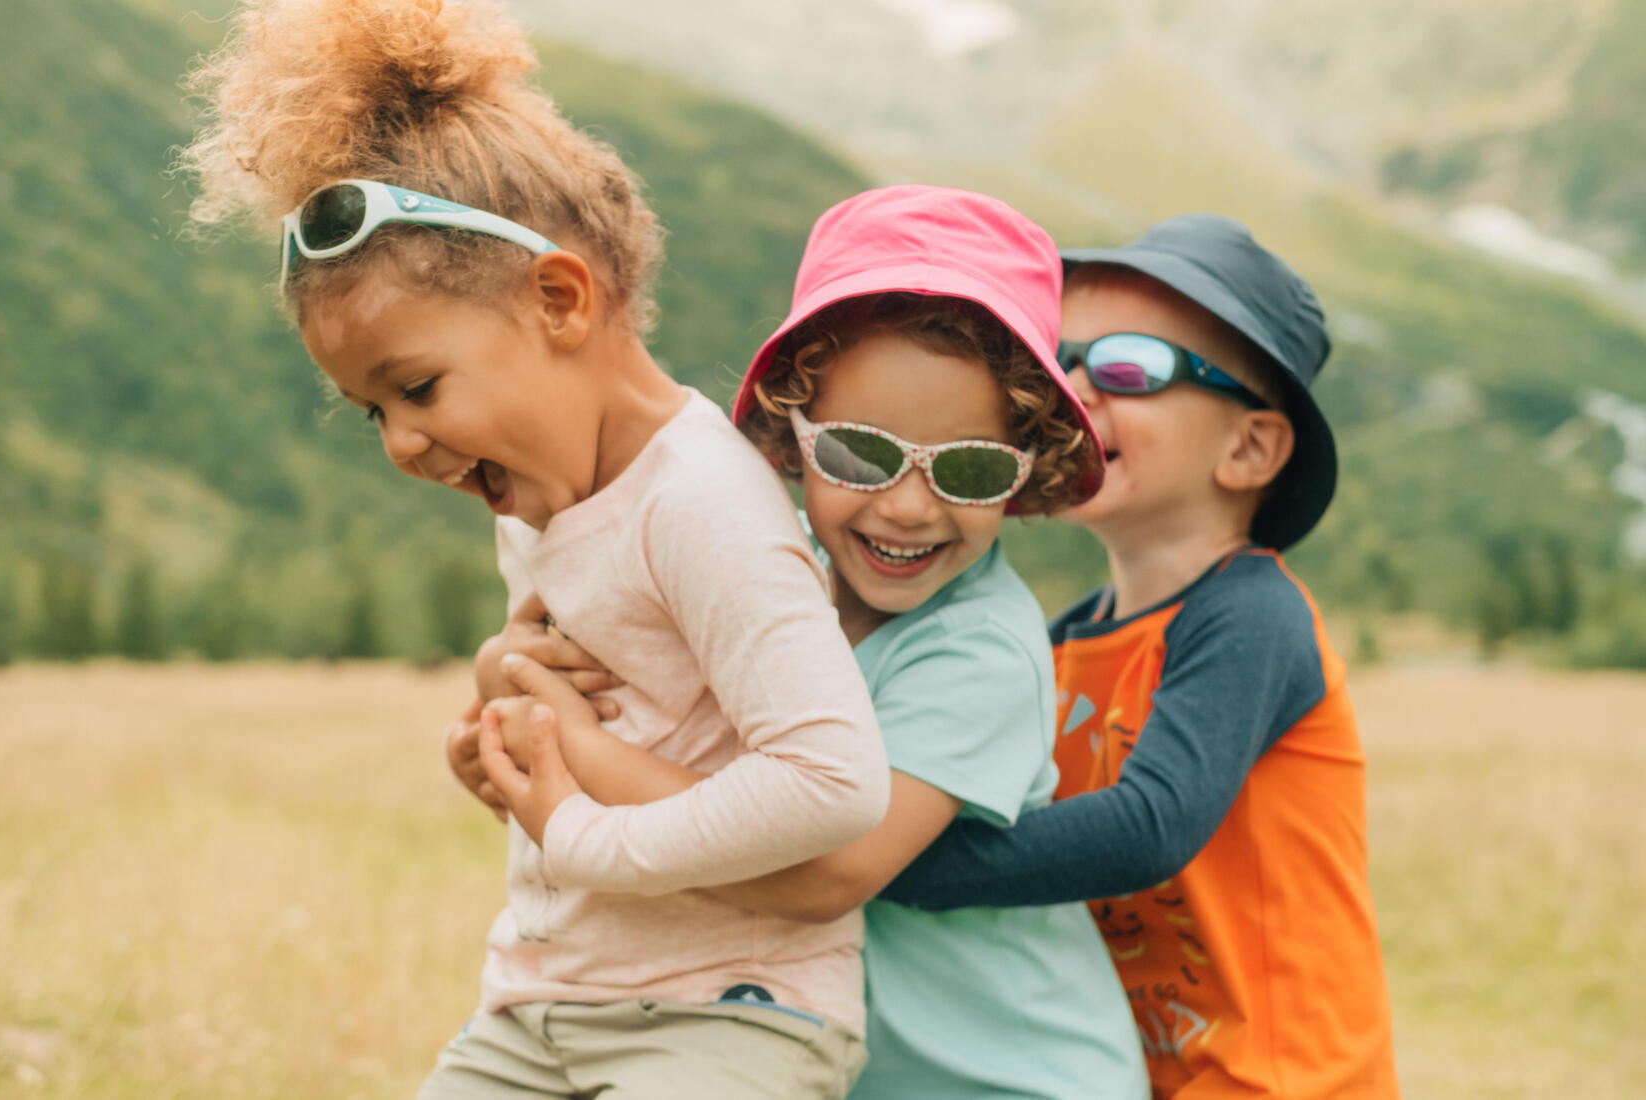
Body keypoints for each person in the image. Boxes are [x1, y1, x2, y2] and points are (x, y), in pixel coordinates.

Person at [179, 2, 890, 1097]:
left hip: (728, 1010)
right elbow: (609, 702)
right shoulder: (534, 500)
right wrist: (499, 733)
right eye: (372, 412)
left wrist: (581, 833)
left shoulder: (703, 500)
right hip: (539, 1003)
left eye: (416, 388)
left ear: (560, 299)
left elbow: (831, 781)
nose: (403, 442)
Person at [467, 185, 1149, 1098]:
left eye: (972, 467)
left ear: (1027, 469)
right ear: (792, 435)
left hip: (1006, 1082)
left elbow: (822, 873)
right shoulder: (758, 568)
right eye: (859, 455)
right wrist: (508, 688)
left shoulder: (981, 654)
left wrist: (567, 754)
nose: (908, 506)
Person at [877, 214, 1402, 1098]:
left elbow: (1149, 824)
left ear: (1250, 448)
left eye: (1128, 368)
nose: (1076, 390)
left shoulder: (1250, 615)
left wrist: (883, 863)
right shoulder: (1059, 642)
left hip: (1286, 1082)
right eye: (1064, 361)